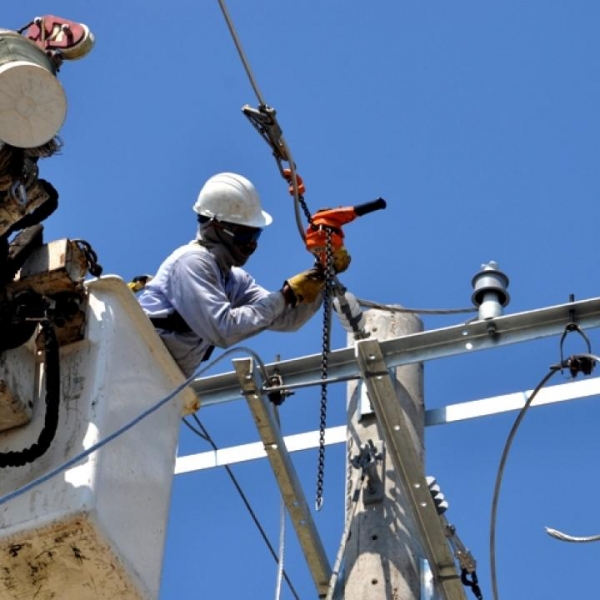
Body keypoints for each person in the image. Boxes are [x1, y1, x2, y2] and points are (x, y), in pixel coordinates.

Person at [138, 172, 348, 377]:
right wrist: (286, 295)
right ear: (215, 227)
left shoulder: (233, 280)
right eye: (245, 234)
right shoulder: (192, 262)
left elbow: (287, 317)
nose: (252, 244)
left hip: (160, 380)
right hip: (134, 360)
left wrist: (320, 273)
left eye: (256, 234)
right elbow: (224, 329)